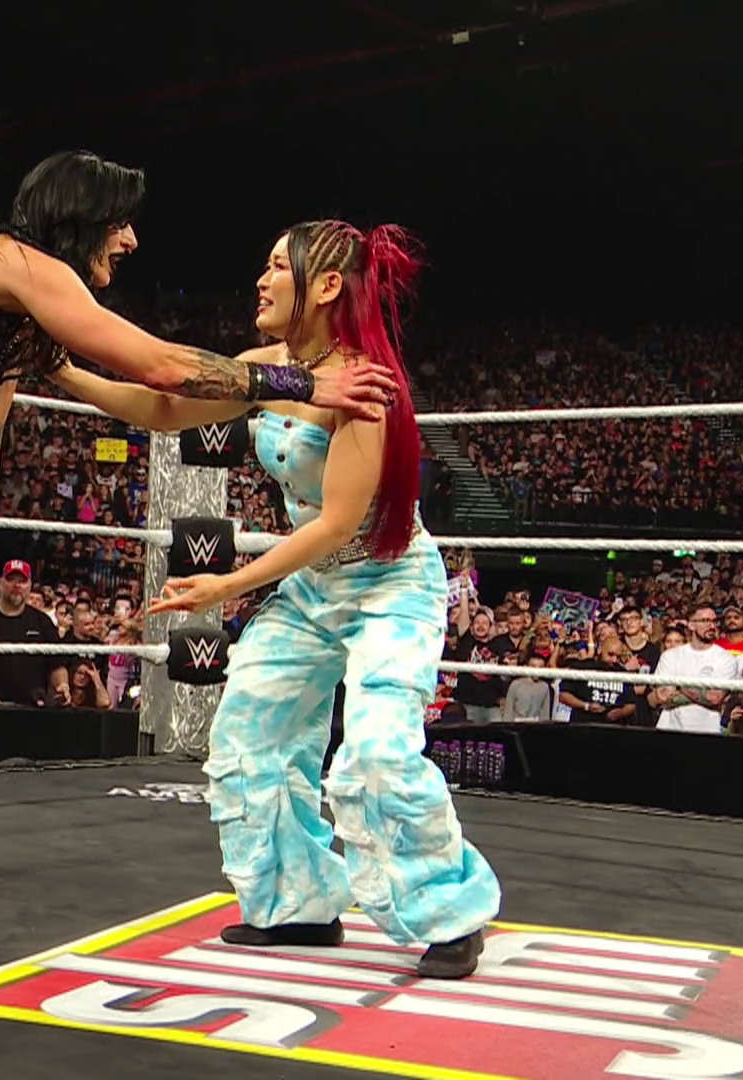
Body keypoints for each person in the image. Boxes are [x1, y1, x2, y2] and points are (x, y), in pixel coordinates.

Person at [0, 152, 400, 968]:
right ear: (81, 216)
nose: (129, 241)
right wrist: (297, 383)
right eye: (119, 222)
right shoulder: (5, 259)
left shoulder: (28, 317)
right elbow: (159, 366)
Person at [86, 220, 500, 980]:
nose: (261, 279)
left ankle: (451, 914)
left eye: (278, 265)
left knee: (377, 750)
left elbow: (338, 523)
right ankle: (294, 904)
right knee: (250, 732)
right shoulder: (265, 369)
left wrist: (227, 585)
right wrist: (56, 373)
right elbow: (162, 407)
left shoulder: (367, 384)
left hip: (390, 582)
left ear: (327, 285)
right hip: (316, 586)